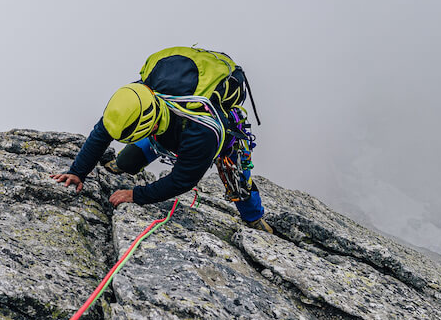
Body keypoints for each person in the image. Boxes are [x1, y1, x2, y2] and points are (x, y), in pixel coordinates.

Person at [51, 47, 274, 233]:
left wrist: (136, 196)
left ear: (152, 125)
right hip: (168, 122)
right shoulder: (136, 97)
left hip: (218, 137)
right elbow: (102, 132)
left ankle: (255, 218)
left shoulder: (202, 131)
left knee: (239, 185)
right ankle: (125, 161)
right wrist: (78, 171)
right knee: (127, 163)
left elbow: (182, 180)